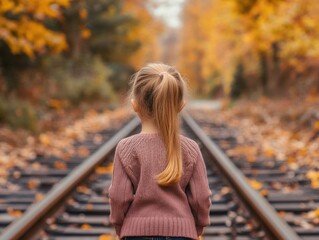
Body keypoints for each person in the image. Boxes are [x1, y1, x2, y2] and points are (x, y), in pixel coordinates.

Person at [107, 63, 212, 240]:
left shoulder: (125, 148)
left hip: (136, 235)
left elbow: (119, 197)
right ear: (180, 106)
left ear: (135, 105)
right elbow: (201, 198)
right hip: (182, 234)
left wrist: (120, 226)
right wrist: (198, 226)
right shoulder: (190, 148)